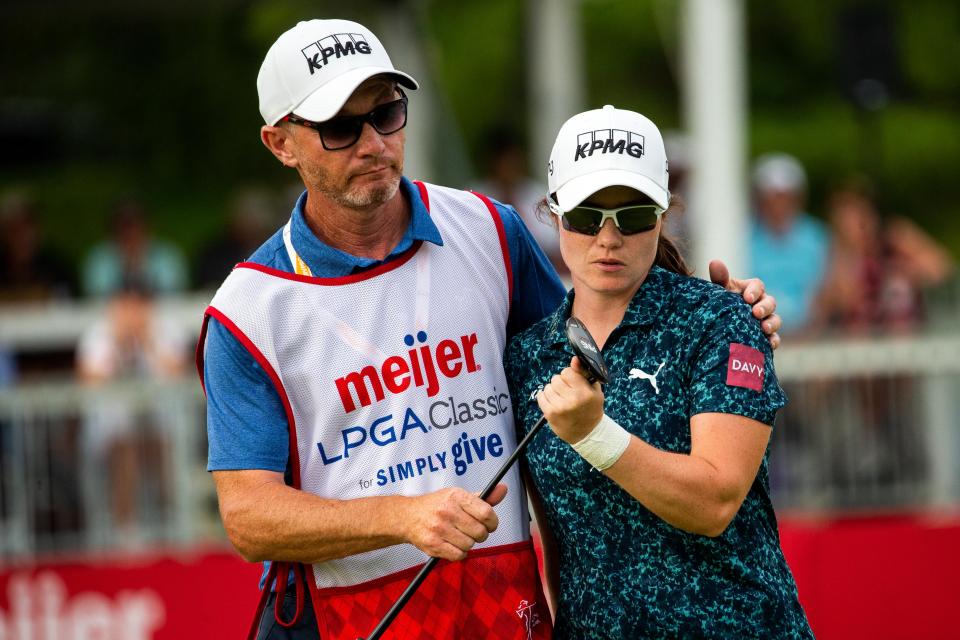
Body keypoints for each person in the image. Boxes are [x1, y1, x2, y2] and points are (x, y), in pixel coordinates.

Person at [198, 19, 782, 640]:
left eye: (387, 113)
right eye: (341, 127)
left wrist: (708, 312)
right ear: (280, 143)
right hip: (350, 615)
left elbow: (591, 346)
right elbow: (249, 517)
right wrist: (402, 517)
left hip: (502, 603)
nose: (373, 143)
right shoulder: (248, 309)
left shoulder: (487, 228)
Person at [505, 106, 811, 638]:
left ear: (663, 214)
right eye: (584, 216)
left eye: (633, 215)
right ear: (553, 215)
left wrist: (594, 436)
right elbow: (558, 541)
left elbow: (715, 500)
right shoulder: (528, 355)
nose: (607, 237)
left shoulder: (721, 319)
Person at [747, 152, 829, 334]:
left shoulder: (816, 236)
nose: (778, 204)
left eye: (785, 196)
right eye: (771, 197)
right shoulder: (744, 236)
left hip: (809, 335)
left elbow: (824, 292)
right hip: (757, 330)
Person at [82, 198, 189, 298]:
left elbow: (175, 292)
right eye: (125, 225)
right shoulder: (99, 259)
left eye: (134, 225)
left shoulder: (168, 255)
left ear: (147, 226)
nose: (130, 232)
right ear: (114, 229)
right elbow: (96, 295)